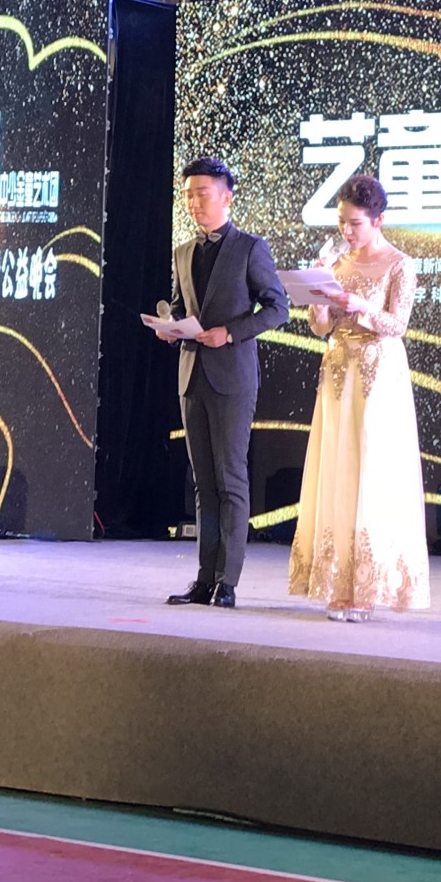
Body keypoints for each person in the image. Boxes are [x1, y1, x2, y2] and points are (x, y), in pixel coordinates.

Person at [289, 175, 430, 622]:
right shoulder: (337, 262)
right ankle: (337, 581)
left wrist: (361, 306)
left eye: (355, 224)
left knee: (371, 470)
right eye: (342, 223)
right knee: (339, 467)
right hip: (337, 371)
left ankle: (366, 587)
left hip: (378, 373)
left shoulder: (399, 264)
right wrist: (317, 293)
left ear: (378, 220)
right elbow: (320, 327)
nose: (346, 231)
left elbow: (398, 324)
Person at [162, 157, 289, 608]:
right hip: (191, 373)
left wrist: (231, 332)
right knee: (203, 483)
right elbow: (180, 307)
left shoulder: (251, 248)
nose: (194, 202)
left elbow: (277, 308)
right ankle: (204, 578)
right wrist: (170, 326)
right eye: (188, 194)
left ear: (227, 197)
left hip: (233, 375)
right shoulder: (183, 252)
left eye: (203, 193)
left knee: (230, 478)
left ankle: (227, 582)